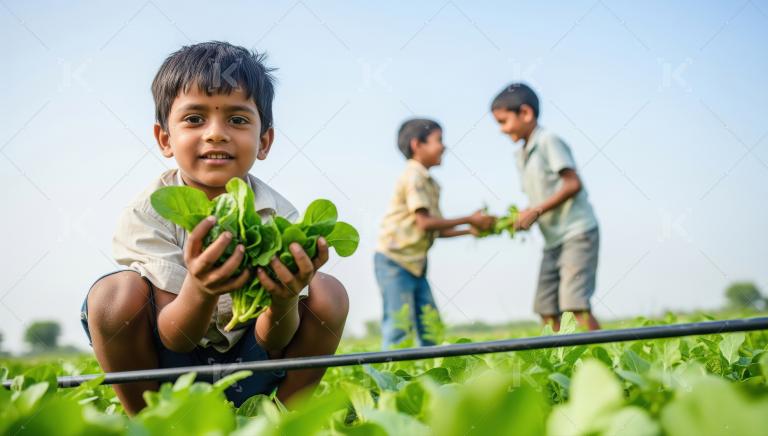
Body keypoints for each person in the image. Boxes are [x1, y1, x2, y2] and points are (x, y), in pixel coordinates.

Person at [80, 41, 348, 415]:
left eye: (238, 120)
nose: (216, 133)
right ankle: (150, 421)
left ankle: (282, 419)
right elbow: (177, 337)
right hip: (169, 367)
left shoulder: (278, 217)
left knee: (328, 293)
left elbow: (274, 341)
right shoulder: (149, 213)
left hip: (250, 365)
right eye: (194, 119)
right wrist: (202, 288)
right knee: (113, 295)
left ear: (264, 141)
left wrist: (285, 299)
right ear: (164, 139)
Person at [375, 118, 494, 348]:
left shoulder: (430, 183)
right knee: (399, 327)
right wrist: (470, 218)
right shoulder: (414, 175)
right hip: (394, 260)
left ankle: (431, 377)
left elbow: (436, 228)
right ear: (416, 145)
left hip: (415, 264)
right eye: (438, 140)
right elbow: (425, 223)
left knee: (431, 326)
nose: (443, 146)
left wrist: (470, 229)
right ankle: (388, 381)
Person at [491, 83, 601, 332]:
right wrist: (522, 216)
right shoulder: (521, 156)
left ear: (526, 114)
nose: (501, 129)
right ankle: (564, 363)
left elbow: (572, 184)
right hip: (553, 240)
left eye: (503, 121)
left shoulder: (548, 141)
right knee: (546, 309)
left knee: (574, 307)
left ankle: (608, 363)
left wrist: (537, 211)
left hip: (577, 232)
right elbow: (539, 197)